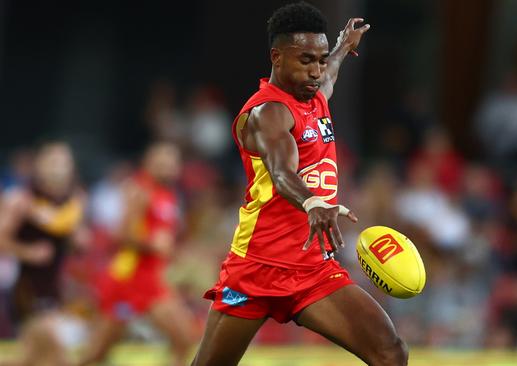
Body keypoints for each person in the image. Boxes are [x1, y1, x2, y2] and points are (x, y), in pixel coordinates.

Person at [192, 3, 408, 365]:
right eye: (306, 60)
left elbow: (331, 74)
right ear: (276, 57)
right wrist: (312, 203)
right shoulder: (267, 113)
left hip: (312, 269)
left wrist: (341, 48)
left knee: (391, 352)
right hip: (258, 267)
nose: (316, 70)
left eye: (320, 59)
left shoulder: (315, 93)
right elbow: (281, 172)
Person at [78, 142, 195, 366]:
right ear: (148, 162)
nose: (167, 166)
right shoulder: (141, 189)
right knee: (96, 355)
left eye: (172, 162)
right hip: (130, 277)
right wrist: (152, 244)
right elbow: (120, 234)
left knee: (183, 339)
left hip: (147, 277)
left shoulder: (167, 194)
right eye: (161, 161)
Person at [0, 142, 87, 366]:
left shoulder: (73, 201)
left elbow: (75, 244)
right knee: (58, 355)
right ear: (40, 166)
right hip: (26, 287)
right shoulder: (22, 199)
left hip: (53, 287)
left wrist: (79, 241)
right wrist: (28, 252)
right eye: (52, 162)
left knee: (34, 359)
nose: (58, 168)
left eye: (63, 162)